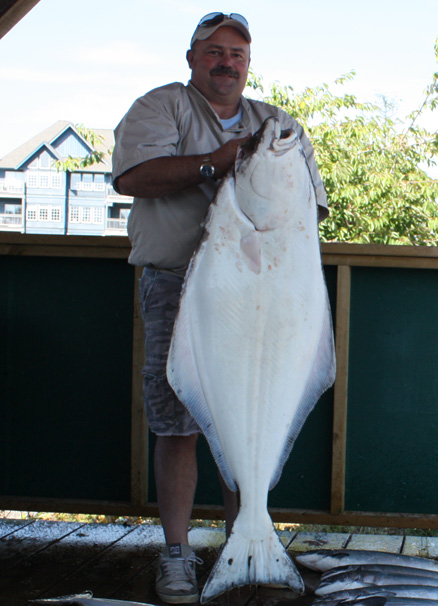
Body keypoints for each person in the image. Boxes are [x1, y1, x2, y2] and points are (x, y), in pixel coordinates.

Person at [112, 12, 329, 604]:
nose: (226, 62)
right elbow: (130, 177)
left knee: (251, 416)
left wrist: (257, 165)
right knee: (176, 420)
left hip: (264, 293)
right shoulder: (162, 108)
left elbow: (310, 205)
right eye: (214, 52)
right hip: (176, 282)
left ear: (248, 64)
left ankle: (247, 540)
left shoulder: (277, 123)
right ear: (192, 59)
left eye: (237, 53)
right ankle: (178, 553)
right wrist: (217, 162)